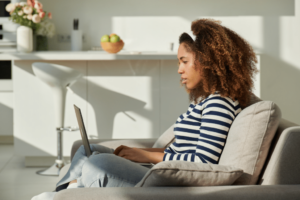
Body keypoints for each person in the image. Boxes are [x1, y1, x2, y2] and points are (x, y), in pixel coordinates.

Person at [32, 18, 258, 200]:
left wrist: (145, 154)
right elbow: (182, 151)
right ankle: (63, 195)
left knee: (96, 162)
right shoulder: (205, 100)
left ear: (209, 61)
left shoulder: (219, 103)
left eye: (184, 61)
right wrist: (140, 154)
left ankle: (63, 196)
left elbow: (204, 163)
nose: (179, 69)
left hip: (171, 183)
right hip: (164, 171)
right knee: (87, 150)